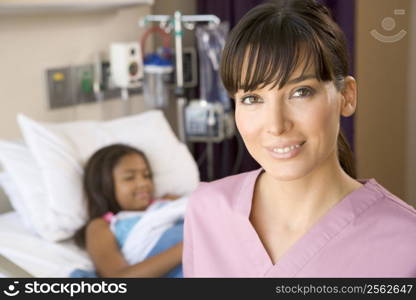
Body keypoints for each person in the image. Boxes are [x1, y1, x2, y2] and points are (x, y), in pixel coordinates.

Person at [183, 0, 416, 277]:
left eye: (301, 92)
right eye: (252, 98)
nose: (276, 125)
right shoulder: (206, 210)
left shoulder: (405, 242)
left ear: (347, 96)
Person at [73, 143, 183, 278]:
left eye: (147, 175)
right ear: (104, 185)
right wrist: (187, 247)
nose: (143, 183)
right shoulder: (101, 225)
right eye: (130, 178)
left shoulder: (168, 202)